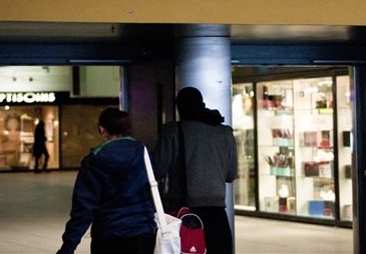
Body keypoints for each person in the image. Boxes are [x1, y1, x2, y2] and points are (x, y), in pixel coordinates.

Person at [57, 108, 156, 254]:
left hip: (109, 235)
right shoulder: (144, 152)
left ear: (102, 129)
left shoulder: (94, 160)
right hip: (143, 232)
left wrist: (68, 246)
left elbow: (84, 208)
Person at [154, 87, 238, 254]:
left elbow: (159, 168)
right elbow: (231, 174)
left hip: (183, 209)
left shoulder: (172, 131)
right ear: (202, 103)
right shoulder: (225, 132)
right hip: (217, 211)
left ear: (180, 107)